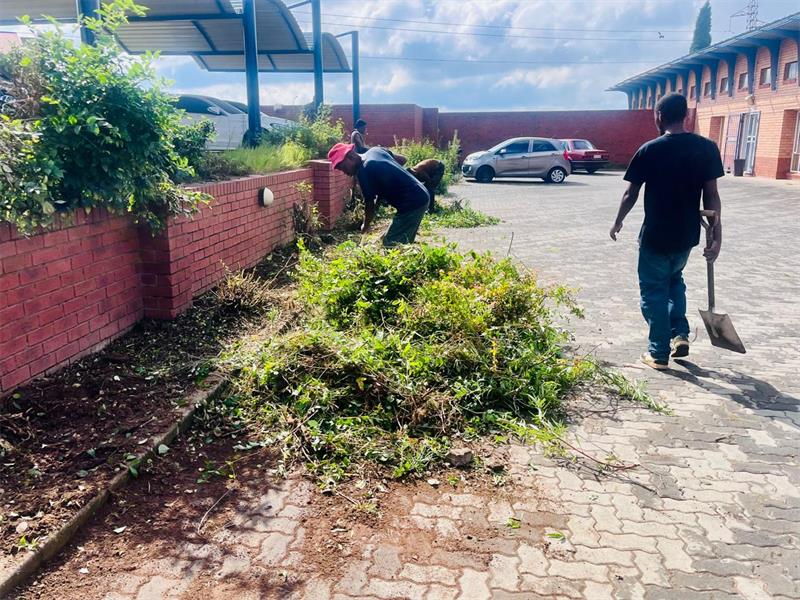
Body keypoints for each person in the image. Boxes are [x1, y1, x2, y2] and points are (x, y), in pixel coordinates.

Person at [609, 93, 724, 370]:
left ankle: (658, 352)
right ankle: (679, 334)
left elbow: (630, 193)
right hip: (686, 236)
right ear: (685, 115)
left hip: (656, 236)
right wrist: (717, 237)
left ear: (659, 117)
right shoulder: (706, 148)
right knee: (675, 283)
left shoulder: (650, 149)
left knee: (653, 291)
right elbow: (712, 196)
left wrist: (617, 221)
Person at [329, 143, 429, 247]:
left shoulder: (363, 170)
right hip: (420, 193)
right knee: (394, 239)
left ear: (350, 156)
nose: (344, 172)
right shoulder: (375, 151)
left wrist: (365, 225)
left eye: (342, 167)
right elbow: (402, 159)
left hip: (413, 203)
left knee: (391, 245)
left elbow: (369, 203)